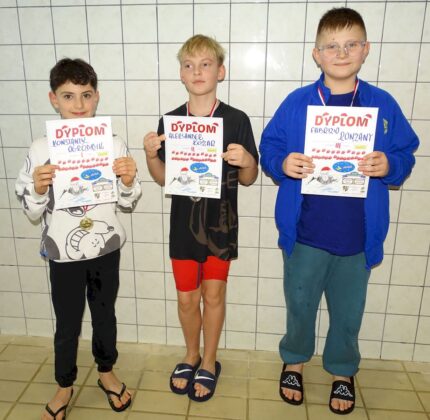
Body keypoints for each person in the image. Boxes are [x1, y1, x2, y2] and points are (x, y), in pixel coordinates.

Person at [259, 7, 419, 415]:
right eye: (331, 46)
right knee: (299, 305)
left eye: (351, 45)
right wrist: (282, 163)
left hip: (357, 237)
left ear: (366, 49)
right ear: (317, 54)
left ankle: (343, 370)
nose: (341, 53)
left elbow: (406, 153)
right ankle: (294, 360)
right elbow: (270, 146)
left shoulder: (382, 104)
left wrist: (390, 164)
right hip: (305, 233)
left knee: (348, 313)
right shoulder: (298, 103)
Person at [15, 58, 141, 420]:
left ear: (97, 96)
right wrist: (39, 188)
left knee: (104, 315)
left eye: (86, 95)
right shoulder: (40, 149)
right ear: (54, 99)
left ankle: (106, 371)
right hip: (62, 253)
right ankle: (64, 384)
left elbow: (127, 201)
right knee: (67, 322)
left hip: (105, 247)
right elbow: (31, 210)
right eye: (69, 96)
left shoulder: (113, 144)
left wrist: (128, 180)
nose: (79, 104)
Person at [143, 34, 258, 402]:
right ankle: (190, 354)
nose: (197, 71)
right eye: (189, 65)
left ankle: (209, 361)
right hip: (183, 225)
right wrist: (151, 155)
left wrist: (247, 161)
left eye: (205, 64)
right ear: (181, 73)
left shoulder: (236, 119)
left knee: (214, 294)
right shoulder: (171, 121)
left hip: (220, 225)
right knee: (186, 299)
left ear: (220, 71)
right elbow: (164, 178)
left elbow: (249, 178)